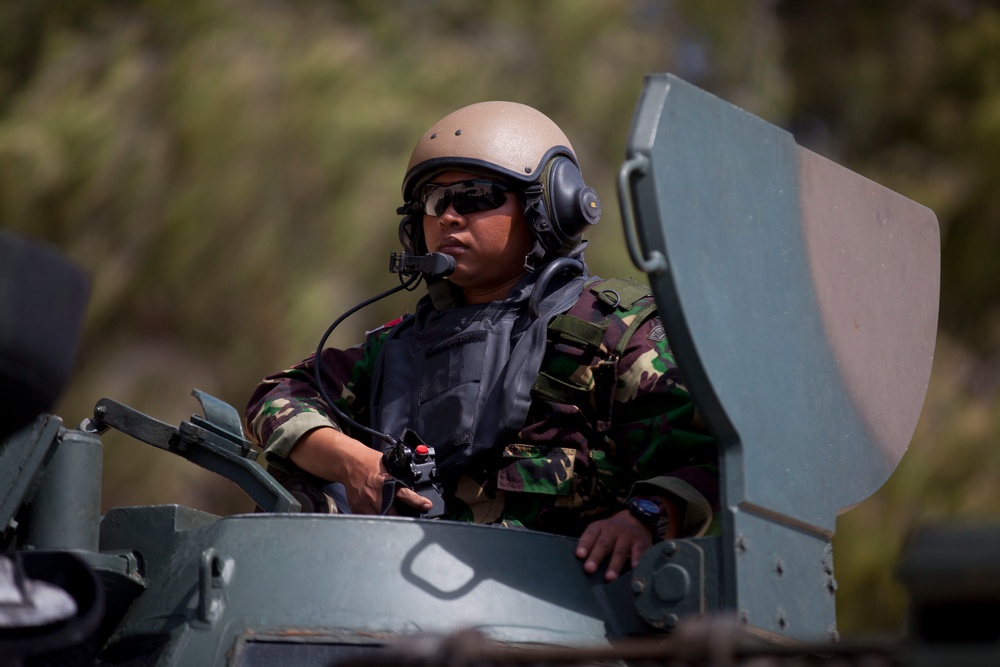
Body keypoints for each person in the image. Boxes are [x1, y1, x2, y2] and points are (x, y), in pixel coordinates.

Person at [244, 101, 718, 581]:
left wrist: (646, 516)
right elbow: (278, 396)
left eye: (475, 197)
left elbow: (709, 457)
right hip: (392, 602)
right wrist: (356, 463)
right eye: (433, 201)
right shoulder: (396, 350)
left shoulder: (614, 333)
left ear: (548, 207)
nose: (448, 217)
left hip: (564, 617)